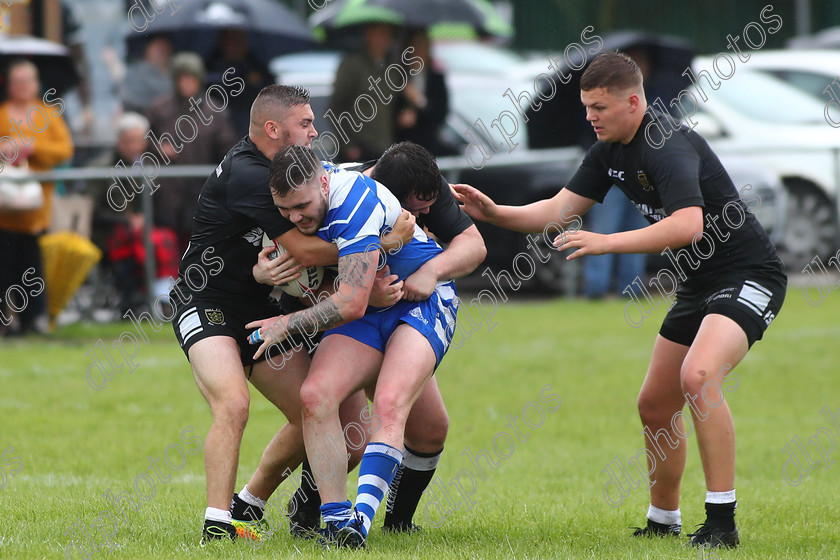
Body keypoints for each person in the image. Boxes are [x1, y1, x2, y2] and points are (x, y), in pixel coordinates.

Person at [453, 52, 786, 549]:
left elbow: (688, 224)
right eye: (587, 106)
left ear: (633, 102)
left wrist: (606, 243)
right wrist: (495, 212)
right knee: (654, 405)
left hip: (748, 275)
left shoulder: (665, 144)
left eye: (600, 107)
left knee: (698, 375)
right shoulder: (608, 149)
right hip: (699, 285)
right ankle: (663, 519)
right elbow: (558, 209)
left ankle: (722, 522)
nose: (590, 116)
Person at [170, 84, 412, 545]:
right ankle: (218, 526)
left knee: (334, 420)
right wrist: (383, 242)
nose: (314, 130)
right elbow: (302, 248)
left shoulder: (290, 170)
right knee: (234, 404)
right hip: (208, 303)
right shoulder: (250, 175)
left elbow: (332, 206)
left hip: (264, 308)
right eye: (305, 123)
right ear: (273, 128)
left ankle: (250, 503)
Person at [246, 142, 486, 536]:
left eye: (300, 207)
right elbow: (336, 281)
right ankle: (334, 517)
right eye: (285, 210)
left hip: (417, 302)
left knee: (394, 407)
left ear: (324, 183)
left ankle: (361, 522)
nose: (292, 217)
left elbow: (350, 302)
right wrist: (262, 273)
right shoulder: (296, 187)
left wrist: (286, 324)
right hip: (367, 305)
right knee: (316, 396)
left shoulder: (372, 198)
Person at [0, 59, 73, 336]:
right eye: (16, 81)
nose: (21, 86)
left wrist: (33, 147)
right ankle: (8, 321)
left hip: (36, 207)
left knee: (31, 267)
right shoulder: (3, 113)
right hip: (5, 208)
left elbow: (64, 150)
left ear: (35, 83)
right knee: (4, 266)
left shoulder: (48, 114)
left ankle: (35, 319)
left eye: (26, 81)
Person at [146, 52, 236, 252]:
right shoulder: (160, 109)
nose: (187, 83)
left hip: (201, 186)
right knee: (167, 244)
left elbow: (228, 148)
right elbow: (145, 143)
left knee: (199, 243)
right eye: (182, 77)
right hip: (166, 189)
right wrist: (158, 148)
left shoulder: (214, 111)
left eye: (191, 77)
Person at [329, 23, 397, 162]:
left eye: (388, 34)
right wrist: (348, 145)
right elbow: (336, 106)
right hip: (359, 148)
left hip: (385, 146)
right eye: (380, 34)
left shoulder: (392, 66)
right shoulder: (353, 64)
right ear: (368, 35)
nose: (385, 39)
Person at [205, 28, 272, 138]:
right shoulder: (211, 65)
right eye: (230, 40)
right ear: (222, 42)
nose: (234, 45)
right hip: (217, 123)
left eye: (238, 39)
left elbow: (270, 94)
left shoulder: (256, 65)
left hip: (249, 123)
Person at [395, 29, 450, 156]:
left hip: (427, 146)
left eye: (421, 47)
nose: (417, 53)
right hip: (402, 146)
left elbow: (440, 114)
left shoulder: (436, 79)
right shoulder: (400, 77)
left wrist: (419, 101)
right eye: (413, 48)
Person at [121, 33, 173, 115]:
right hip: (143, 115)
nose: (161, 52)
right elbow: (129, 97)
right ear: (147, 49)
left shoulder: (176, 71)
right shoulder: (136, 71)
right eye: (158, 48)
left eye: (164, 47)